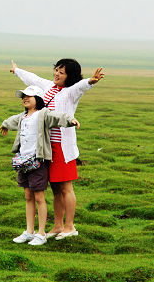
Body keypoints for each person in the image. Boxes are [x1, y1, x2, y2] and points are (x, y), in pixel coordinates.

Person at [10, 59, 104, 240]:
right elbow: (32, 79)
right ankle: (58, 225)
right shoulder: (47, 87)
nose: (57, 74)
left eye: (62, 72)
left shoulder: (70, 93)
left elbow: (80, 87)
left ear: (70, 76)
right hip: (47, 147)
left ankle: (70, 227)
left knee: (66, 187)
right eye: (56, 70)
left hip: (63, 146)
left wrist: (91, 81)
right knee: (54, 188)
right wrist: (17, 70)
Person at [0, 85, 80, 246]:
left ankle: (41, 233)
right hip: (23, 161)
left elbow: (57, 117)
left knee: (39, 197)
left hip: (37, 162)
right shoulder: (23, 116)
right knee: (28, 196)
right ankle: (29, 232)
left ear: (38, 98)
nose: (25, 98)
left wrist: (70, 120)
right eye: (23, 96)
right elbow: (12, 120)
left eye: (29, 95)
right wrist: (5, 124)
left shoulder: (43, 114)